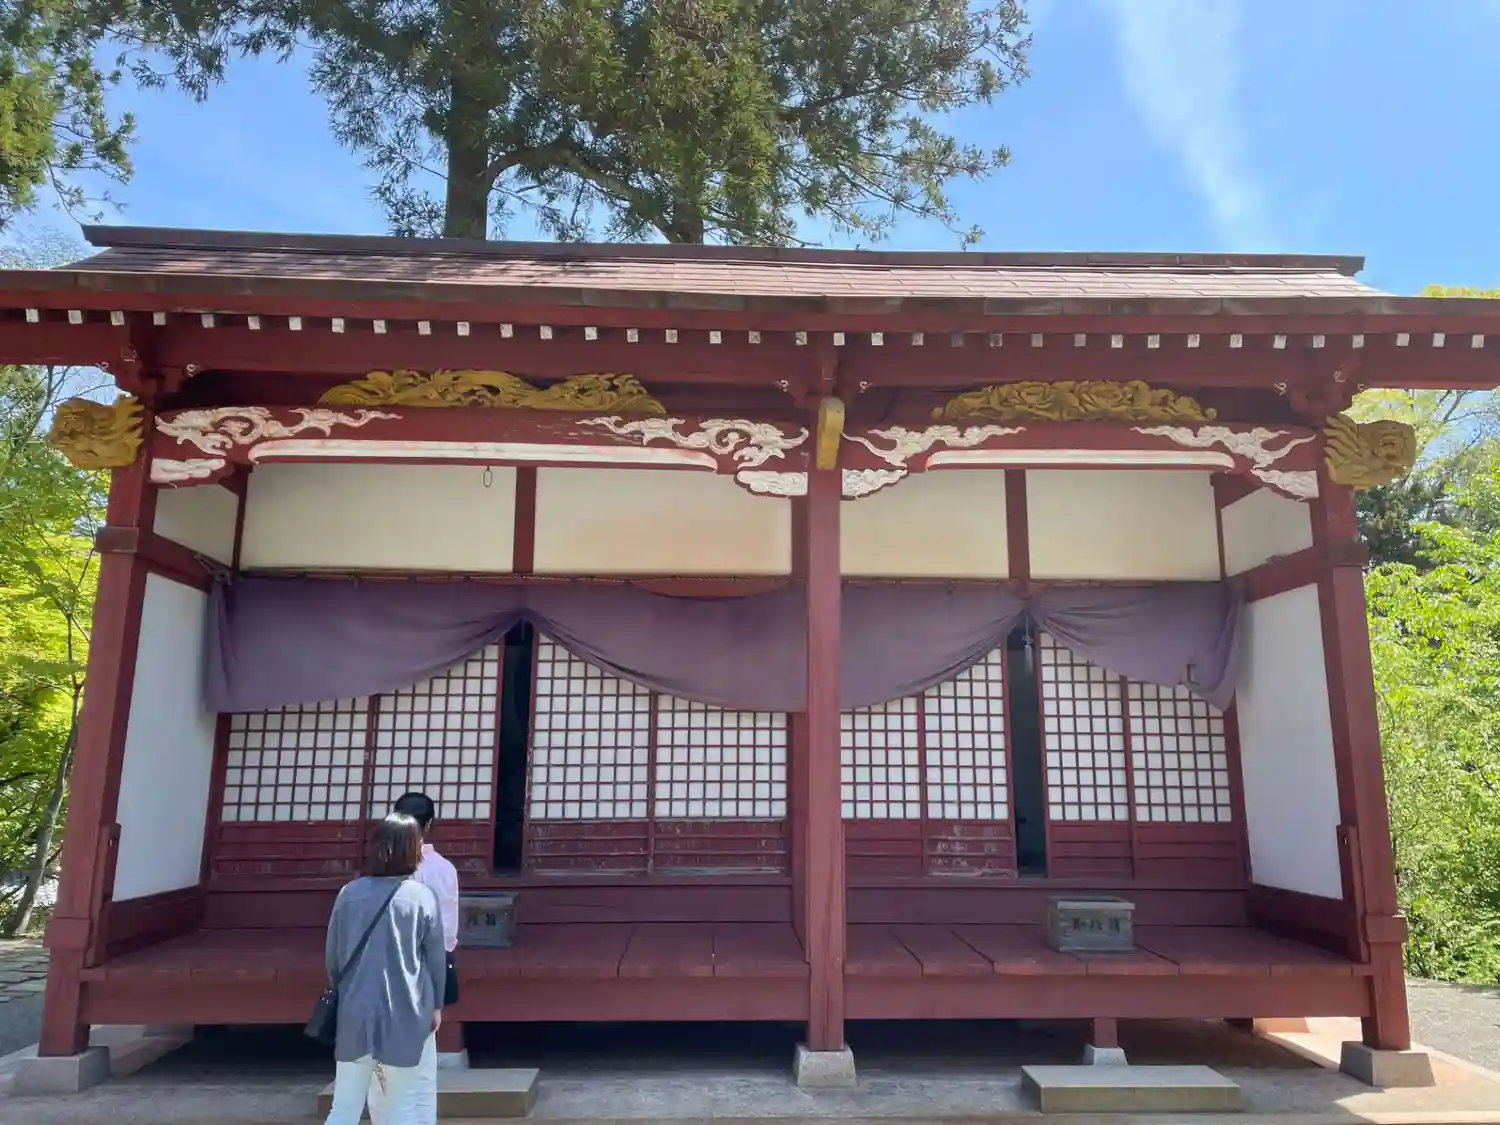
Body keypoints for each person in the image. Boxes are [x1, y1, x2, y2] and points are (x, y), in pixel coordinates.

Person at [323, 813, 446, 1125]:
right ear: (412, 850)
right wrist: (436, 1006)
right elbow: (435, 962)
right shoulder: (422, 898)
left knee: (344, 1107)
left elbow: (333, 958)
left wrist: (345, 992)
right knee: (401, 1106)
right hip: (406, 1011)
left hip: (355, 1011)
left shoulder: (348, 894)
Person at [392, 793, 460, 1023]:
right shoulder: (443, 869)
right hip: (427, 964)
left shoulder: (380, 864)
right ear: (429, 824)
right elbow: (447, 931)